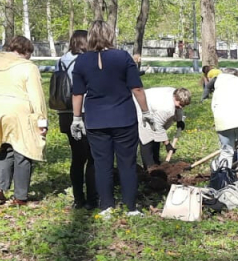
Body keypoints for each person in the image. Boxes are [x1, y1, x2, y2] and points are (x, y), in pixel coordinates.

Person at [69, 20, 152, 217]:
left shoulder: (81, 61)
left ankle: (106, 206)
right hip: (124, 118)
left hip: (96, 120)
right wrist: (146, 111)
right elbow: (137, 88)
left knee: (102, 164)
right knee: (127, 163)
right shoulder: (122, 57)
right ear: (110, 35)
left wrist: (76, 118)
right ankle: (131, 207)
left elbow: (77, 94)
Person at [0, 36, 48, 205]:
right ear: (25, 51)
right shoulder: (29, 67)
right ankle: (20, 196)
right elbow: (37, 97)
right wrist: (42, 121)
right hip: (18, 109)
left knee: (5, 148)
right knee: (24, 150)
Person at [57, 30, 96, 208]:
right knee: (92, 157)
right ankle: (92, 199)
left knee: (77, 158)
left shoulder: (62, 60)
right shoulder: (88, 61)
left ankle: (78, 198)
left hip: (65, 113)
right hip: (85, 112)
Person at [136, 87, 191, 169]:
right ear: (175, 98)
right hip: (141, 106)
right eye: (180, 104)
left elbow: (178, 108)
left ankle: (156, 162)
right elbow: (157, 126)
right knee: (147, 138)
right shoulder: (166, 108)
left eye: (184, 105)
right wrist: (167, 144)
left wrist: (179, 120)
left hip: (152, 104)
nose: (181, 107)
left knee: (156, 137)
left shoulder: (178, 93)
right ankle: (149, 167)